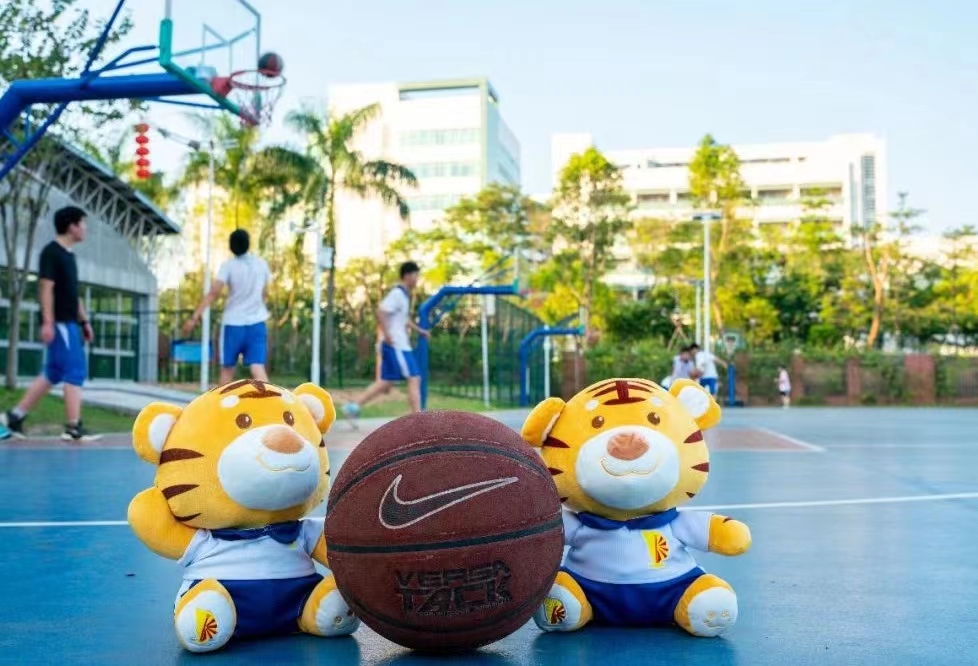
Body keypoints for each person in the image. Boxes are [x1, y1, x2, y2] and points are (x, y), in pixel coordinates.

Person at [0, 206, 100, 442]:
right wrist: (48, 322)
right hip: (60, 323)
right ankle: (73, 427)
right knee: (75, 371)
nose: (85, 229)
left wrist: (85, 321)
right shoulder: (51, 252)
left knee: (53, 372)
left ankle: (14, 417)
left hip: (71, 323)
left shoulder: (70, 256)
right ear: (72, 226)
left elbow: (73, 294)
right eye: (83, 224)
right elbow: (45, 287)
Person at [342, 261, 429, 422]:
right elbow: (381, 311)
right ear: (407, 275)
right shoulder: (397, 294)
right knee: (414, 378)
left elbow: (403, 320)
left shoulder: (404, 295)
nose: (417, 279)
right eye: (416, 275)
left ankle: (353, 407)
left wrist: (420, 331)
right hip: (397, 345)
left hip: (396, 344)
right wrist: (387, 334)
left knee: (385, 383)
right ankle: (418, 420)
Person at [182, 229, 271, 387]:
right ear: (248, 243)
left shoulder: (228, 266)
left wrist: (194, 317)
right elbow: (265, 293)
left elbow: (214, 292)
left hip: (233, 324)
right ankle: (273, 401)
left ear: (231, 247)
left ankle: (220, 403)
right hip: (257, 323)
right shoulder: (261, 264)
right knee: (257, 367)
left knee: (227, 370)